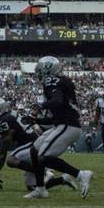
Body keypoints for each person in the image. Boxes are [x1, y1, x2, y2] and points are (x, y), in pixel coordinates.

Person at [30, 56, 93, 197]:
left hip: (67, 125)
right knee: (35, 151)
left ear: (47, 70)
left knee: (43, 157)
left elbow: (57, 100)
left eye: (40, 69)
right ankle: (40, 189)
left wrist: (42, 105)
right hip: (63, 124)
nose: (38, 72)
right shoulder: (63, 81)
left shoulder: (50, 81)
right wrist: (35, 120)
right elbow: (56, 114)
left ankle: (81, 174)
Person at [0, 97, 73, 199]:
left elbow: (4, 148)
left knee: (11, 160)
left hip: (31, 143)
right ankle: (63, 179)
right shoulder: (10, 115)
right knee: (32, 187)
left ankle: (45, 173)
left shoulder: (5, 120)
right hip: (31, 141)